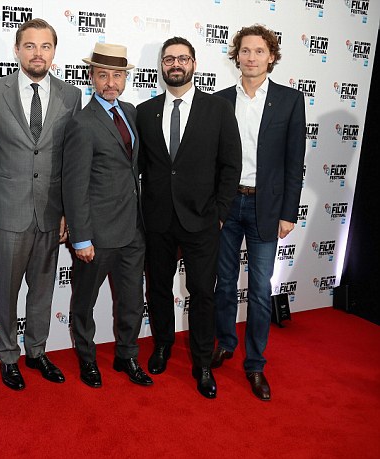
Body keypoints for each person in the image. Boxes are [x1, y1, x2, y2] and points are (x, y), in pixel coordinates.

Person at [137, 37, 242, 399]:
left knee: (202, 293)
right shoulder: (145, 111)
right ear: (161, 66)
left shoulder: (218, 109)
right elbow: (140, 169)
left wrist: (220, 214)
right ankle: (163, 345)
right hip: (158, 219)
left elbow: (231, 165)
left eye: (183, 58)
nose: (175, 64)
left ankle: (201, 361)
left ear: (194, 64)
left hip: (203, 220)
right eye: (169, 59)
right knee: (159, 289)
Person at [0, 18, 82, 390]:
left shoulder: (71, 96)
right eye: (30, 46)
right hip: (8, 211)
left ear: (54, 52)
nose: (37, 53)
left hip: (50, 212)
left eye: (45, 46)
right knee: (6, 291)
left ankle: (37, 351)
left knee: (42, 291)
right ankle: (8, 356)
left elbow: (71, 161)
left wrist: (67, 212)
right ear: (17, 50)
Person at [213, 24, 306, 401]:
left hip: (267, 208)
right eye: (245, 51)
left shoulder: (289, 100)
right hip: (226, 205)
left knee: (261, 290)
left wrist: (289, 213)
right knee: (222, 284)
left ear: (271, 56)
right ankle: (224, 343)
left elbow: (293, 162)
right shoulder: (219, 101)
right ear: (236, 55)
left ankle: (255, 364)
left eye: (258, 51)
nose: (251, 57)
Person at [62, 43, 152, 389]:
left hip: (133, 230)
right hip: (96, 235)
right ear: (91, 78)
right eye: (103, 75)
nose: (110, 82)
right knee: (85, 303)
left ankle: (127, 355)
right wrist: (81, 237)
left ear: (125, 78)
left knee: (131, 301)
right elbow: (74, 185)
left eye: (117, 75)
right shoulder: (82, 123)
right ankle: (86, 359)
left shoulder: (130, 111)